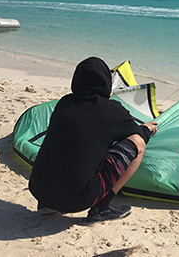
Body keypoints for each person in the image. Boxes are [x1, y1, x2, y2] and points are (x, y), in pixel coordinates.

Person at [29, 57, 158, 222]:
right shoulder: (111, 111)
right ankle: (101, 208)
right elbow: (137, 134)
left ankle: (47, 205)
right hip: (78, 199)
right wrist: (147, 129)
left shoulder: (64, 103)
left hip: (39, 189)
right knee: (138, 143)